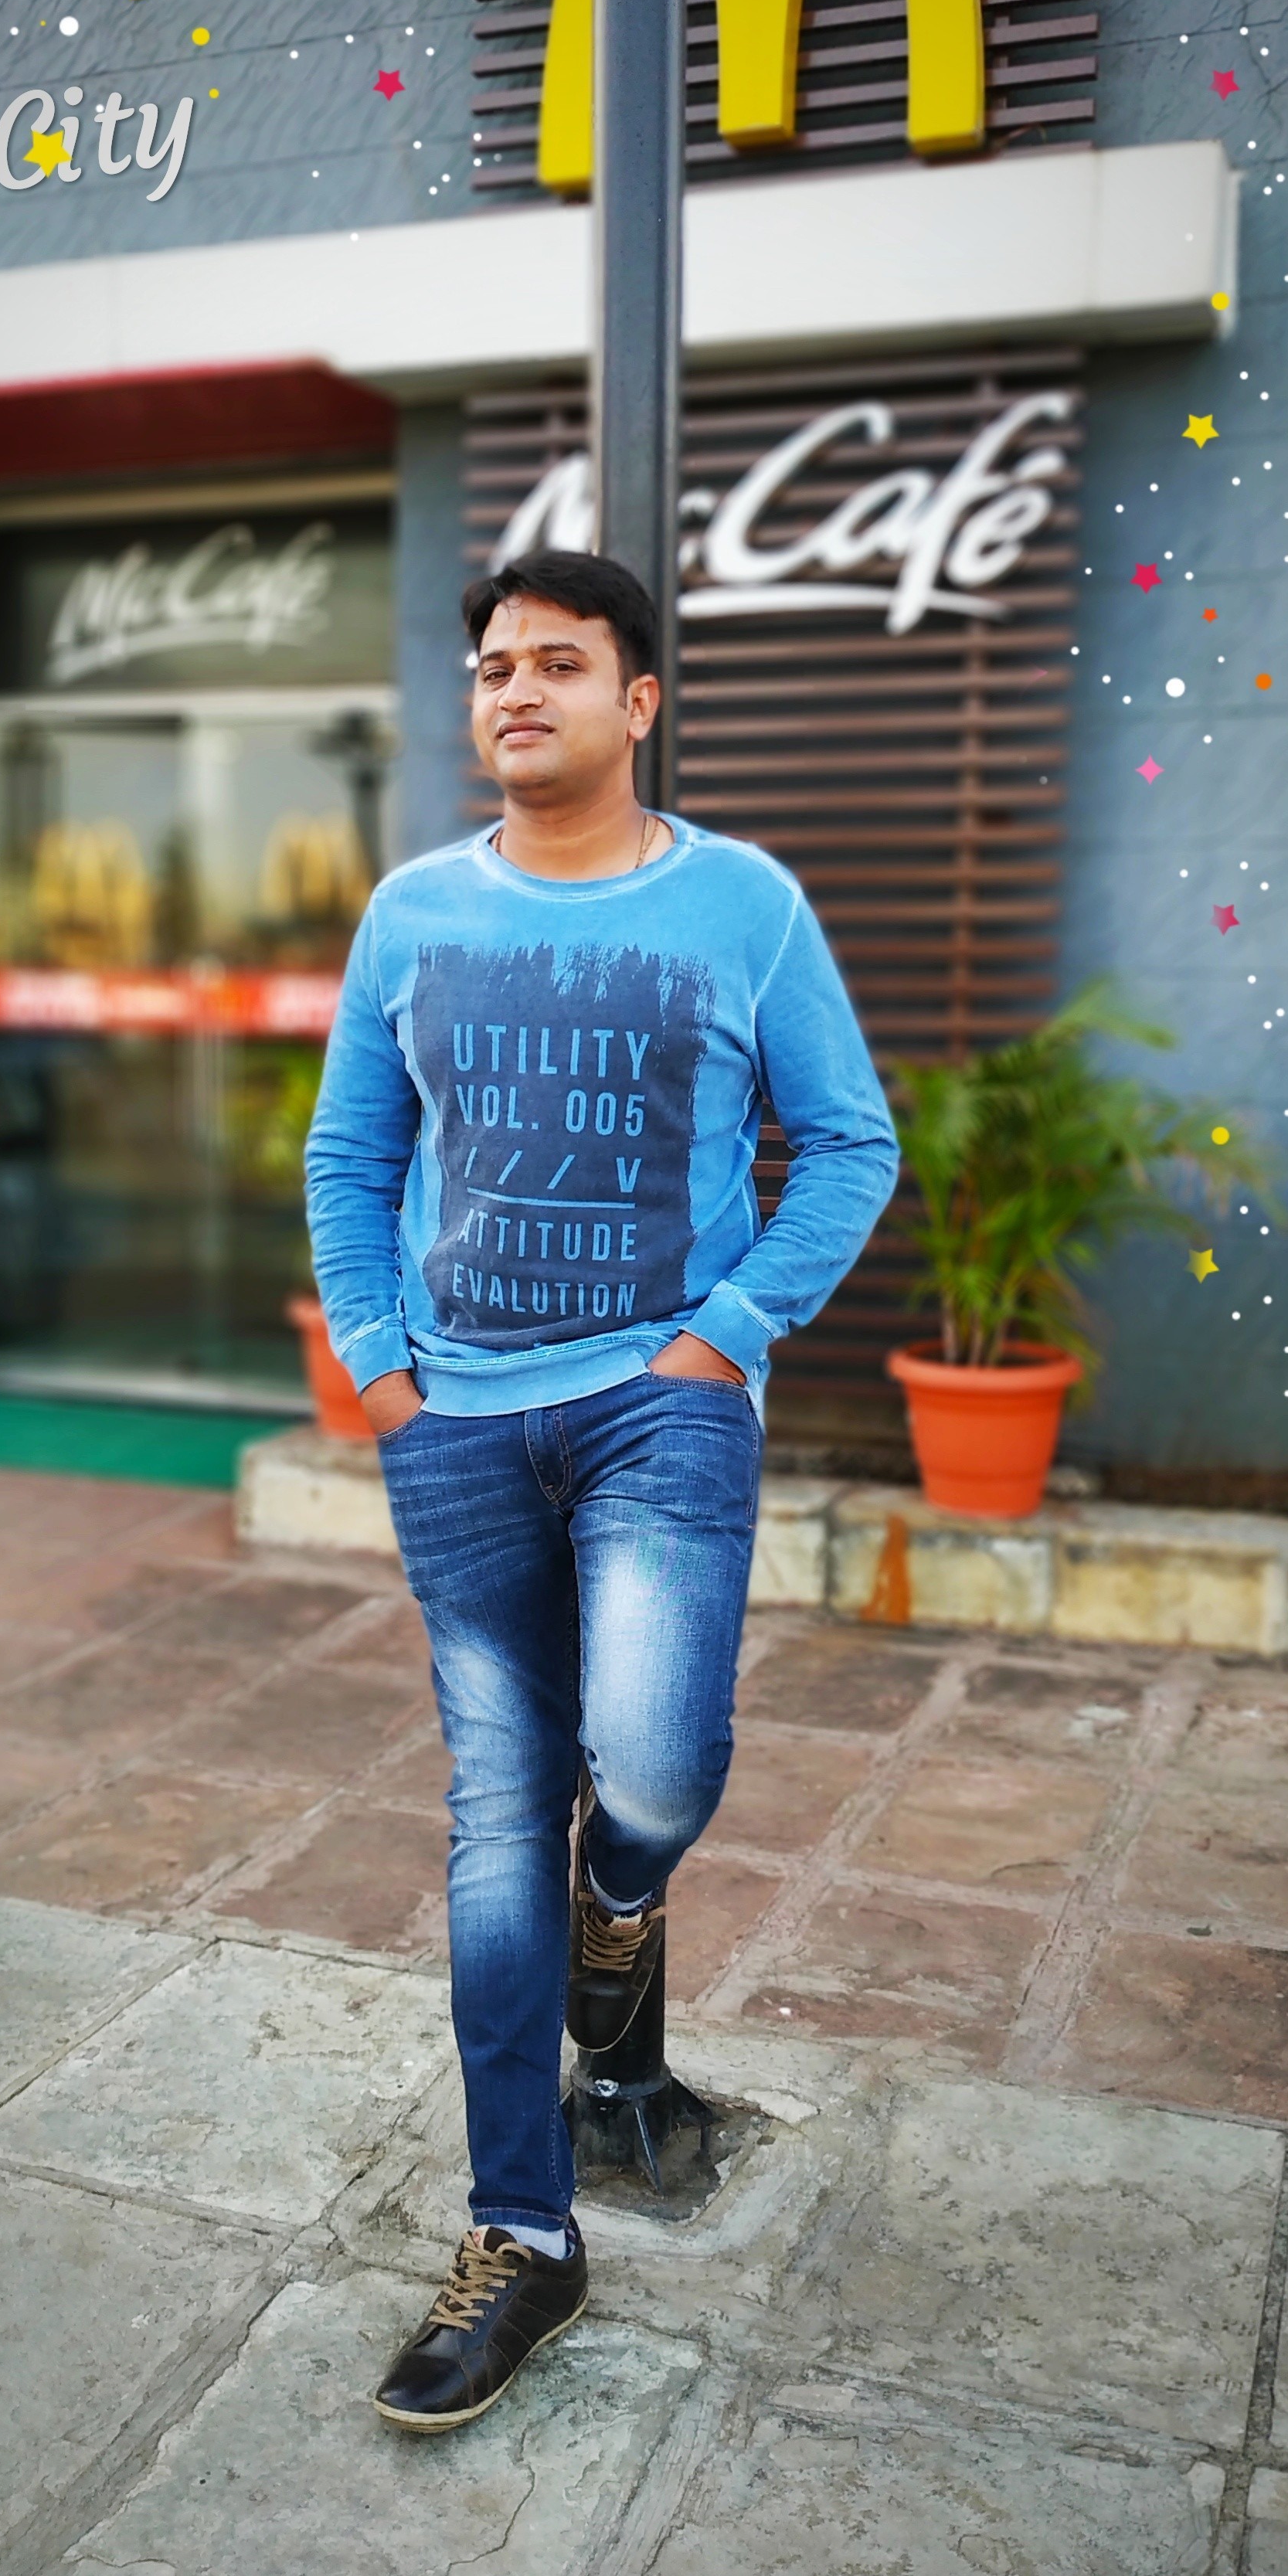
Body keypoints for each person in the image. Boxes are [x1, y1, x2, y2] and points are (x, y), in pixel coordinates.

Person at [304, 549, 896, 2430]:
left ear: (639, 701)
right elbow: (347, 1154)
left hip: (661, 1404)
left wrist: (727, 1334)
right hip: (457, 1420)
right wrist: (383, 1367)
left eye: (559, 663)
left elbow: (849, 1139)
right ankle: (523, 2234)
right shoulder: (411, 911)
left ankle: (620, 1893)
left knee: (649, 1765)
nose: (517, 691)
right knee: (497, 1811)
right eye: (494, 666)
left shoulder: (744, 903)